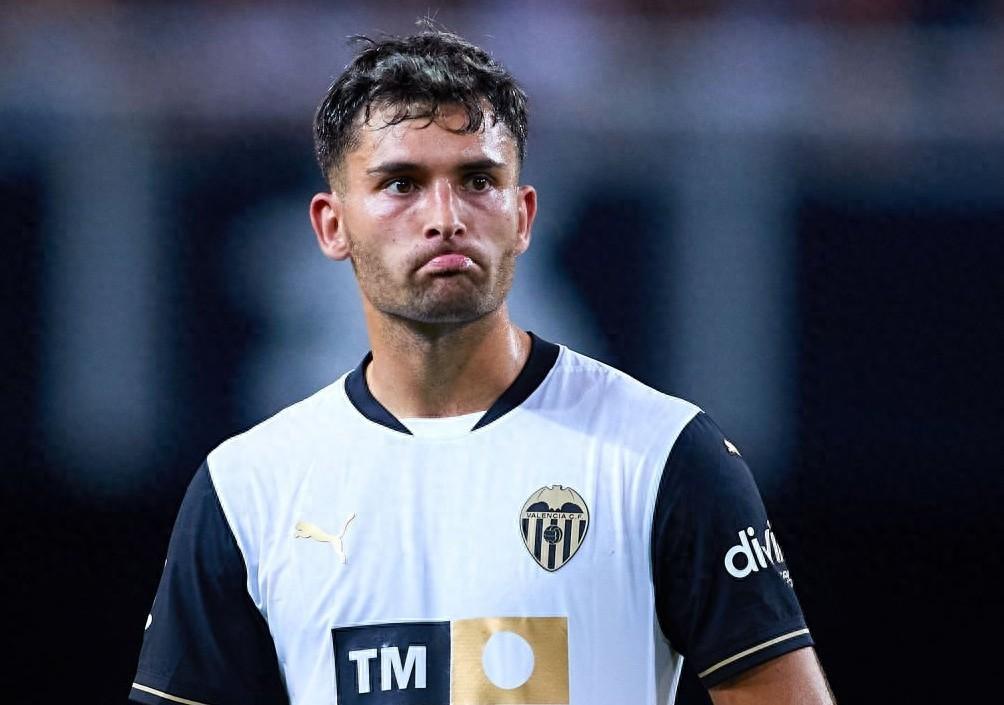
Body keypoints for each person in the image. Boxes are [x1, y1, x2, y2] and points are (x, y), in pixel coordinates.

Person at [130, 27, 835, 705]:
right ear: (331, 224)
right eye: (401, 184)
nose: (445, 216)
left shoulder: (662, 454)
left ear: (523, 216)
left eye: (477, 179)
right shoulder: (248, 488)